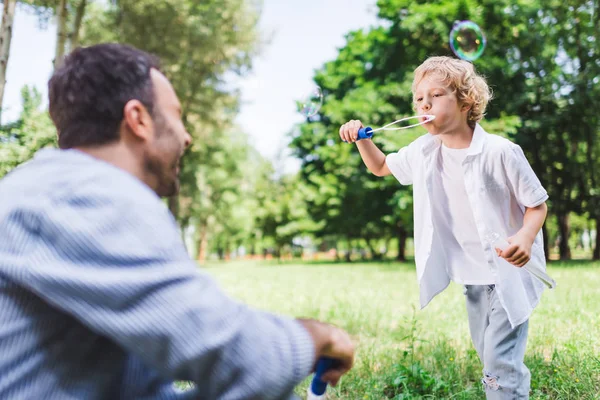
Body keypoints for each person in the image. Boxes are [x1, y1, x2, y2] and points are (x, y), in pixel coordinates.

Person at [0, 43, 354, 400]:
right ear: (138, 119)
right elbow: (236, 357)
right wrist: (316, 337)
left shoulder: (55, 188)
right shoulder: (87, 195)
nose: (187, 136)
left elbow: (144, 391)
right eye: (176, 115)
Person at [339, 56, 548, 399]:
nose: (424, 103)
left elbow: (536, 204)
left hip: (511, 274)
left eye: (435, 95)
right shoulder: (423, 151)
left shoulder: (501, 152)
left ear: (467, 102)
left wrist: (525, 237)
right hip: (472, 277)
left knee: (498, 362)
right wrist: (360, 137)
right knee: (489, 357)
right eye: (419, 98)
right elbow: (379, 167)